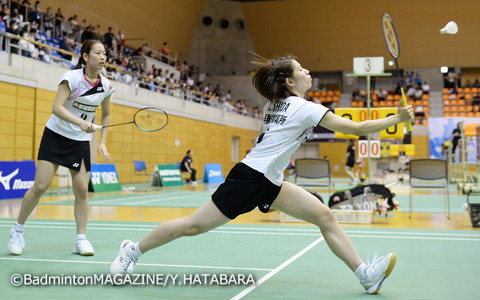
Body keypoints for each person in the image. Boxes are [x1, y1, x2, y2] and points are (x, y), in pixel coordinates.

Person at [109, 55, 413, 294]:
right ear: (290, 81)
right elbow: (356, 129)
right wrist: (396, 118)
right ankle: (131, 251)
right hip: (251, 178)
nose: (307, 72)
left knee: (325, 216)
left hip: (269, 180)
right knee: (192, 226)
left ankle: (366, 277)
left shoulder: (273, 104)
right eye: (302, 69)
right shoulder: (305, 108)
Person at [7, 40, 115, 256]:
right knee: (40, 186)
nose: (103, 57)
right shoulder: (71, 78)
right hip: (55, 136)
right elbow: (56, 108)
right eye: (98, 53)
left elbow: (106, 114)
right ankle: (17, 230)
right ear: (86, 56)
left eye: (104, 53)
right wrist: (81, 123)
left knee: (82, 191)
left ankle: (80, 239)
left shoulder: (107, 85)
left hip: (80, 142)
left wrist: (102, 141)